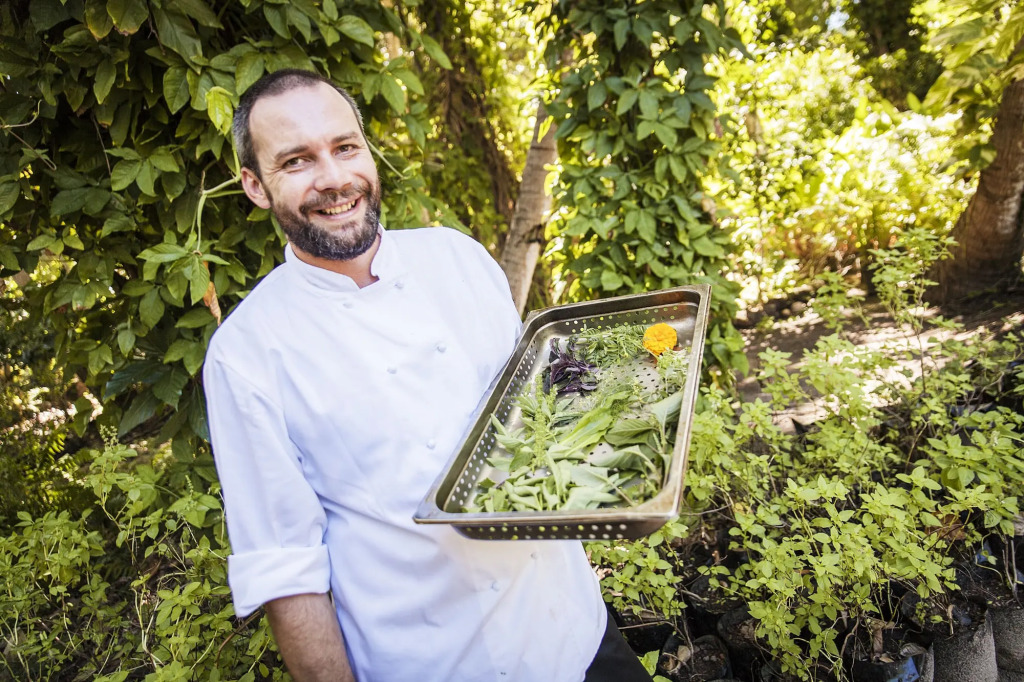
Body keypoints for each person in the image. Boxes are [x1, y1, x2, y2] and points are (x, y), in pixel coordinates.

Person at [202, 68, 653, 682]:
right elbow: (287, 571)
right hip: (435, 664)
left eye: (345, 147)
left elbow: (535, 419)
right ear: (256, 186)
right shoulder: (245, 353)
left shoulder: (457, 255)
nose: (333, 178)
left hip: (575, 630)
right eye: (297, 161)